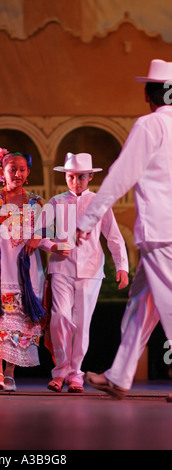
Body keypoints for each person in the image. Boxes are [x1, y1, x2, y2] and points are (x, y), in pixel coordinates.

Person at [76, 59, 172, 401]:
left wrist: (88, 220)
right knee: (140, 304)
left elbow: (121, 175)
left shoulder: (150, 126)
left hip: (164, 231)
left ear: (148, 95)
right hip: (164, 231)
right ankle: (120, 375)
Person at [37, 152, 129, 393]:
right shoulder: (56, 202)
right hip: (61, 267)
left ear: (89, 177)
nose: (75, 182)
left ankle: (75, 374)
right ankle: (60, 371)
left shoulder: (99, 203)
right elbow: (38, 233)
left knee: (81, 324)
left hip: (91, 269)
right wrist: (53, 246)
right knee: (59, 319)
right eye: (70, 177)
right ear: (65, 177)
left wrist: (122, 267)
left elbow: (114, 237)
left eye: (80, 177)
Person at [0, 147, 46, 392]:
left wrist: (38, 236)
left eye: (22, 169)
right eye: (12, 169)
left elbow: (48, 229)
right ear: (1, 171)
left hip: (24, 269)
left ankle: (9, 372)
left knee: (19, 319)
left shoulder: (36, 202)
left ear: (28, 173)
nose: (17, 173)